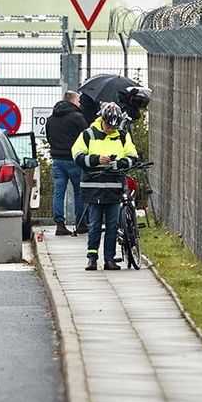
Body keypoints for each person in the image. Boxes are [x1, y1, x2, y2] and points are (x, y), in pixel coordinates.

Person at [72, 102, 138, 271]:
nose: (111, 129)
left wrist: (120, 163)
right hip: (94, 186)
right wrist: (95, 159)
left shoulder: (122, 136)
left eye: (114, 127)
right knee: (94, 225)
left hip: (114, 186)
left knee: (112, 226)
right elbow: (77, 155)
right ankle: (92, 258)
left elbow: (132, 155)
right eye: (109, 126)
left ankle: (109, 259)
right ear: (102, 120)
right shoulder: (88, 134)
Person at [45, 90, 88, 236]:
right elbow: (86, 137)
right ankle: (81, 223)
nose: (79, 103)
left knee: (58, 193)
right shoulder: (77, 117)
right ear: (73, 101)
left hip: (57, 160)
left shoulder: (51, 118)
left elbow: (49, 137)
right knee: (79, 193)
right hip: (74, 160)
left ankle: (59, 224)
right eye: (78, 101)